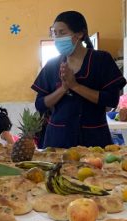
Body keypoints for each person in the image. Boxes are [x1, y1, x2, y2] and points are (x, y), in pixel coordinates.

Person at [32, 11, 127, 148]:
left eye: (62, 33)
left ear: (80, 34)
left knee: (96, 170)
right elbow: (40, 104)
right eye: (55, 33)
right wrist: (64, 88)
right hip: (58, 139)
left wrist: (75, 86)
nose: (57, 38)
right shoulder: (52, 65)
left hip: (94, 139)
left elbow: (111, 100)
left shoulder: (101, 60)